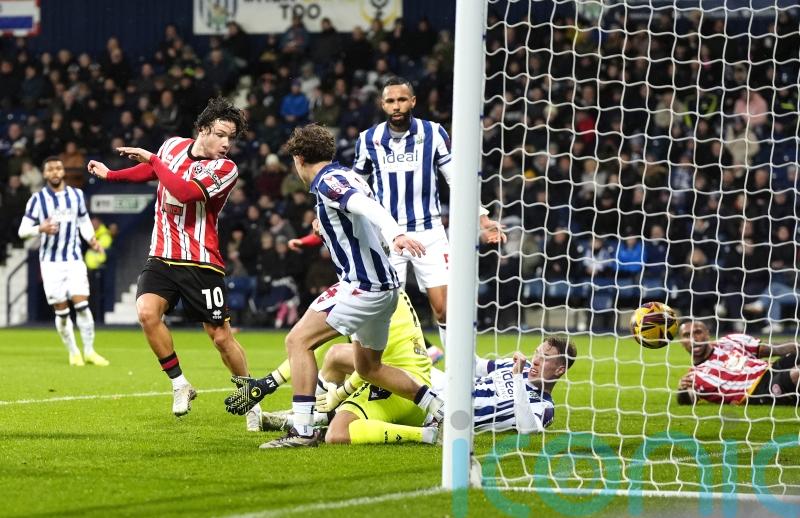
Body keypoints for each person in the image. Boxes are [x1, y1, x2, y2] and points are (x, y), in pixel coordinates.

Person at [223, 124, 444, 448]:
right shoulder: (348, 176)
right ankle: (437, 409)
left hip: (362, 286)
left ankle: (301, 431)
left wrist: (396, 234)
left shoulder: (328, 183)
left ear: (298, 159)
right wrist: (317, 233)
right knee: (369, 368)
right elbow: (356, 220)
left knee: (298, 341)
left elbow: (367, 208)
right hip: (386, 290)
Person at [86, 97, 261, 425]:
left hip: (201, 261)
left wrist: (152, 158)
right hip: (162, 255)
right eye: (221, 134)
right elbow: (149, 170)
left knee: (221, 337)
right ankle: (180, 384)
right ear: (203, 129)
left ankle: (252, 401)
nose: (226, 144)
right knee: (146, 313)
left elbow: (184, 191)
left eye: (231, 138)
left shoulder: (225, 169)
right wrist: (112, 175)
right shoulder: (172, 147)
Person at [353, 76, 505, 348]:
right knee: (381, 309)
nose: (396, 106)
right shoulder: (368, 140)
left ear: (413, 101)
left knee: (445, 308)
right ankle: (392, 369)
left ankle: (454, 375)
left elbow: (456, 179)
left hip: (429, 231)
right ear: (382, 104)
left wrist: (482, 218)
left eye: (402, 99)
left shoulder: (433, 132)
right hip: (388, 235)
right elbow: (355, 186)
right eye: (390, 101)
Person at [259, 336, 576, 443]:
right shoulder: (510, 366)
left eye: (545, 358)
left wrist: (520, 380)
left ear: (559, 370)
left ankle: (303, 420)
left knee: (355, 371)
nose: (535, 359)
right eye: (536, 352)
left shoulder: (544, 407)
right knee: (337, 355)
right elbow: (473, 363)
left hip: (447, 410)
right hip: (440, 385)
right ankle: (308, 416)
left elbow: (526, 429)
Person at [17, 157, 109, 367]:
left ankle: (89, 351)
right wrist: (40, 229)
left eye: (58, 168)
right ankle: (73, 352)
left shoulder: (76, 195)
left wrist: (92, 239)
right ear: (45, 174)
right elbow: (23, 231)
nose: (56, 172)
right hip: (51, 263)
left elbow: (84, 221)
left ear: (63, 171)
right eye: (51, 169)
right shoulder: (37, 200)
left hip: (74, 260)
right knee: (62, 312)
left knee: (83, 306)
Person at [677, 321, 800, 405]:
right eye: (687, 335)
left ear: (708, 334)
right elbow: (688, 399)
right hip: (759, 390)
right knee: (797, 374)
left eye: (697, 332)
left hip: (772, 368)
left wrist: (796, 346)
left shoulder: (730, 340)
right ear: (681, 341)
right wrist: (681, 390)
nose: (693, 339)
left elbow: (773, 348)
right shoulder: (693, 377)